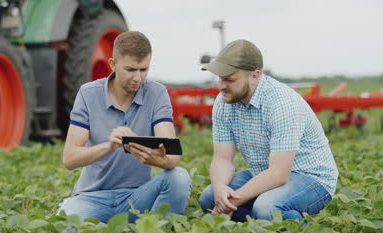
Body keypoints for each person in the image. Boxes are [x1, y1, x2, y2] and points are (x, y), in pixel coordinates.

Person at [198, 39, 338, 222]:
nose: (221, 86)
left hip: (311, 178)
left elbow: (278, 174)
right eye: (220, 78)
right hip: (263, 172)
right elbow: (222, 159)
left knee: (267, 208)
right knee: (209, 198)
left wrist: (232, 199)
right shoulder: (224, 103)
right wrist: (220, 189)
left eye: (230, 79)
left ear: (254, 76)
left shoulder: (282, 103)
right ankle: (262, 228)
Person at [58, 31, 191, 223]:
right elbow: (69, 159)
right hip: (91, 198)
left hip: (137, 198)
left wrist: (158, 160)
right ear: (113, 64)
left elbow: (172, 155)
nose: (138, 78)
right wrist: (109, 146)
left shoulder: (157, 93)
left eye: (144, 70)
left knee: (179, 177)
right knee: (64, 225)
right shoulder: (88, 94)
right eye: (130, 69)